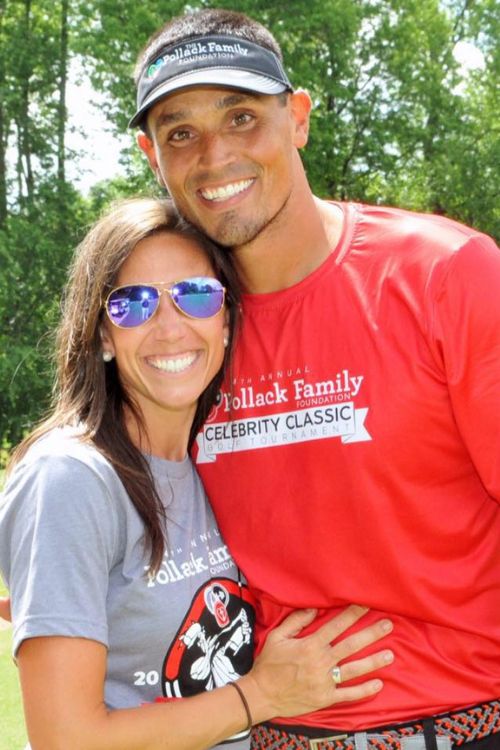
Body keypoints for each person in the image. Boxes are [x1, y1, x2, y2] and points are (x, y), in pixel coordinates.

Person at [130, 8, 500, 750]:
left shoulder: (445, 275)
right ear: (150, 156)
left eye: (242, 117)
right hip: (271, 731)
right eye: (181, 133)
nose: (215, 156)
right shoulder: (179, 336)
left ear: (297, 118)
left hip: (464, 724)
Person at [0, 197, 394, 750]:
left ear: (228, 321)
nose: (169, 328)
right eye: (133, 304)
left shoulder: (205, 463)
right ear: (103, 336)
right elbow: (66, 739)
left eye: (196, 295)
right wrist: (261, 697)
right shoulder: (71, 478)